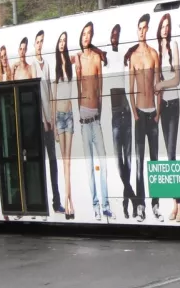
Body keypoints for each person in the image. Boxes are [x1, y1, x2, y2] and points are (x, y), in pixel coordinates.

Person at [128, 13, 163, 222]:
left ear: (147, 29)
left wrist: (158, 112)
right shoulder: (133, 57)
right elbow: (130, 88)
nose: (142, 31)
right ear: (137, 30)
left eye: (144, 28)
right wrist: (134, 112)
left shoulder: (153, 54)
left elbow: (158, 84)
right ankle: (140, 204)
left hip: (152, 113)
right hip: (140, 113)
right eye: (139, 28)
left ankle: (156, 204)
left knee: (155, 161)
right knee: (140, 161)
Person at [76, 22, 111, 220]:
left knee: (103, 162)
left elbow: (100, 88)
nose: (86, 36)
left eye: (89, 33)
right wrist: (78, 113)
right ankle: (95, 205)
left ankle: (105, 204)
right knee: (89, 165)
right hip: (83, 116)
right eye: (84, 33)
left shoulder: (97, 58)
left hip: (95, 117)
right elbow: (77, 87)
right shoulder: (78, 60)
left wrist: (100, 112)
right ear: (81, 38)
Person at [155, 13, 180, 222]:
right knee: (168, 156)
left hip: (173, 105)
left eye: (167, 25)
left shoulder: (173, 45)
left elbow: (177, 79)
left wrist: (160, 85)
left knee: (172, 154)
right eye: (162, 26)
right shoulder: (157, 50)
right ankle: (175, 205)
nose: (165, 29)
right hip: (162, 106)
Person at [33, 30, 63, 214]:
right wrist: (44, 120)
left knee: (53, 162)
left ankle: (56, 201)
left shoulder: (47, 64)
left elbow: (50, 94)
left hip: (49, 124)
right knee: (42, 164)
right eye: (37, 41)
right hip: (40, 124)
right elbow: (35, 96)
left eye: (42, 41)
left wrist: (52, 119)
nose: (40, 44)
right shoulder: (33, 66)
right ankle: (43, 203)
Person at [108, 24, 135, 219]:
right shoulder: (106, 57)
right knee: (119, 160)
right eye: (112, 34)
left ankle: (127, 200)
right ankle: (131, 196)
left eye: (117, 34)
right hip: (115, 115)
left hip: (125, 112)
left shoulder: (125, 56)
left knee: (128, 159)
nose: (114, 37)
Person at [54, 31, 75, 220]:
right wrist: (53, 122)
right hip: (59, 116)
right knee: (64, 161)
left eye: (64, 41)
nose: (62, 43)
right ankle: (69, 202)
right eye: (60, 41)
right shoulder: (55, 67)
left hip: (69, 115)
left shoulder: (69, 65)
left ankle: (69, 202)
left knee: (68, 162)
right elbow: (53, 96)